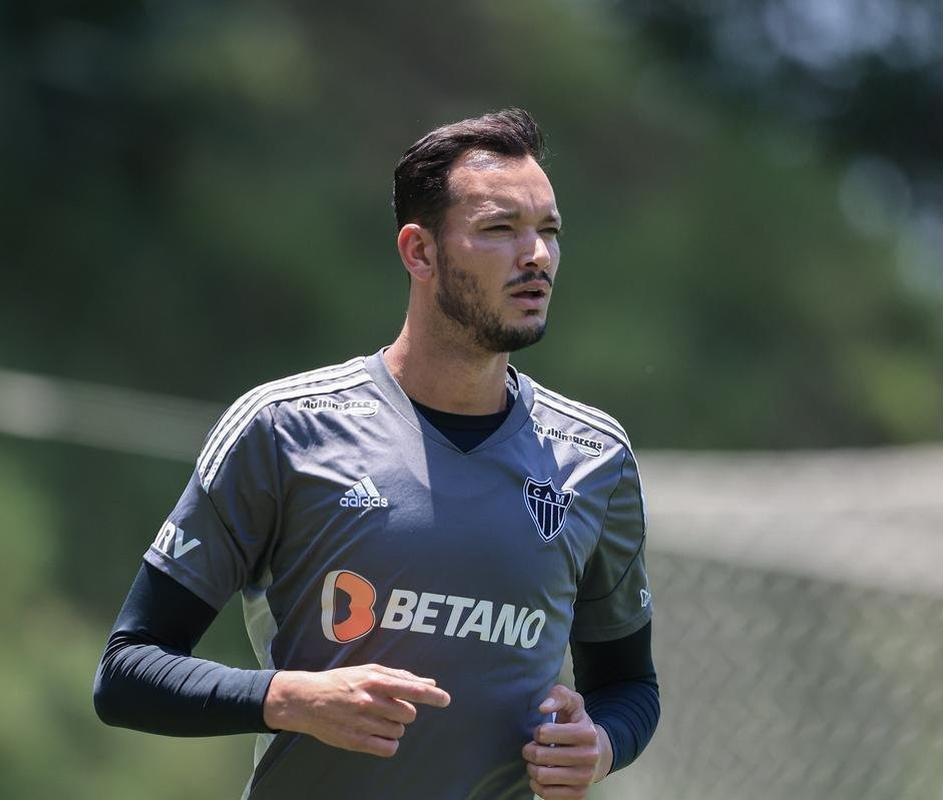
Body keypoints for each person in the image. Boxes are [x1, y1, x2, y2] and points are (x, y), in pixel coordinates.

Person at [93, 108, 660, 800]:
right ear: (419, 253)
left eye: (549, 231)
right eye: (499, 229)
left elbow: (629, 685)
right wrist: (289, 698)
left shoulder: (594, 457)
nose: (536, 255)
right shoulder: (284, 429)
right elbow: (127, 672)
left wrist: (601, 745)